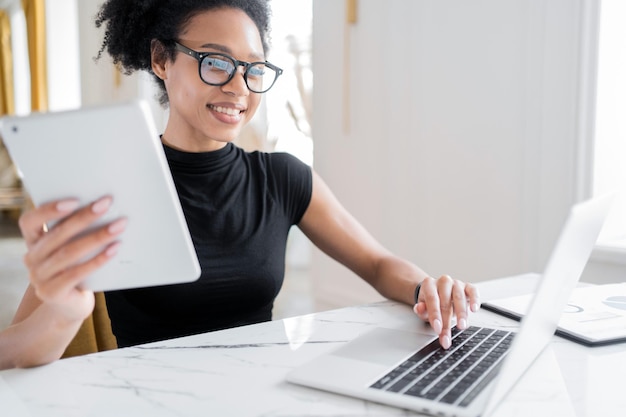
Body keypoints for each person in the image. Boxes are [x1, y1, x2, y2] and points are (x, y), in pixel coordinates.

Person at [0, 0, 480, 370]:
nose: (239, 87)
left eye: (252, 68)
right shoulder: (108, 183)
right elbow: (17, 347)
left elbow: (377, 263)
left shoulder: (283, 177)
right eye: (215, 62)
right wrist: (63, 311)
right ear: (161, 59)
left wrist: (427, 287)